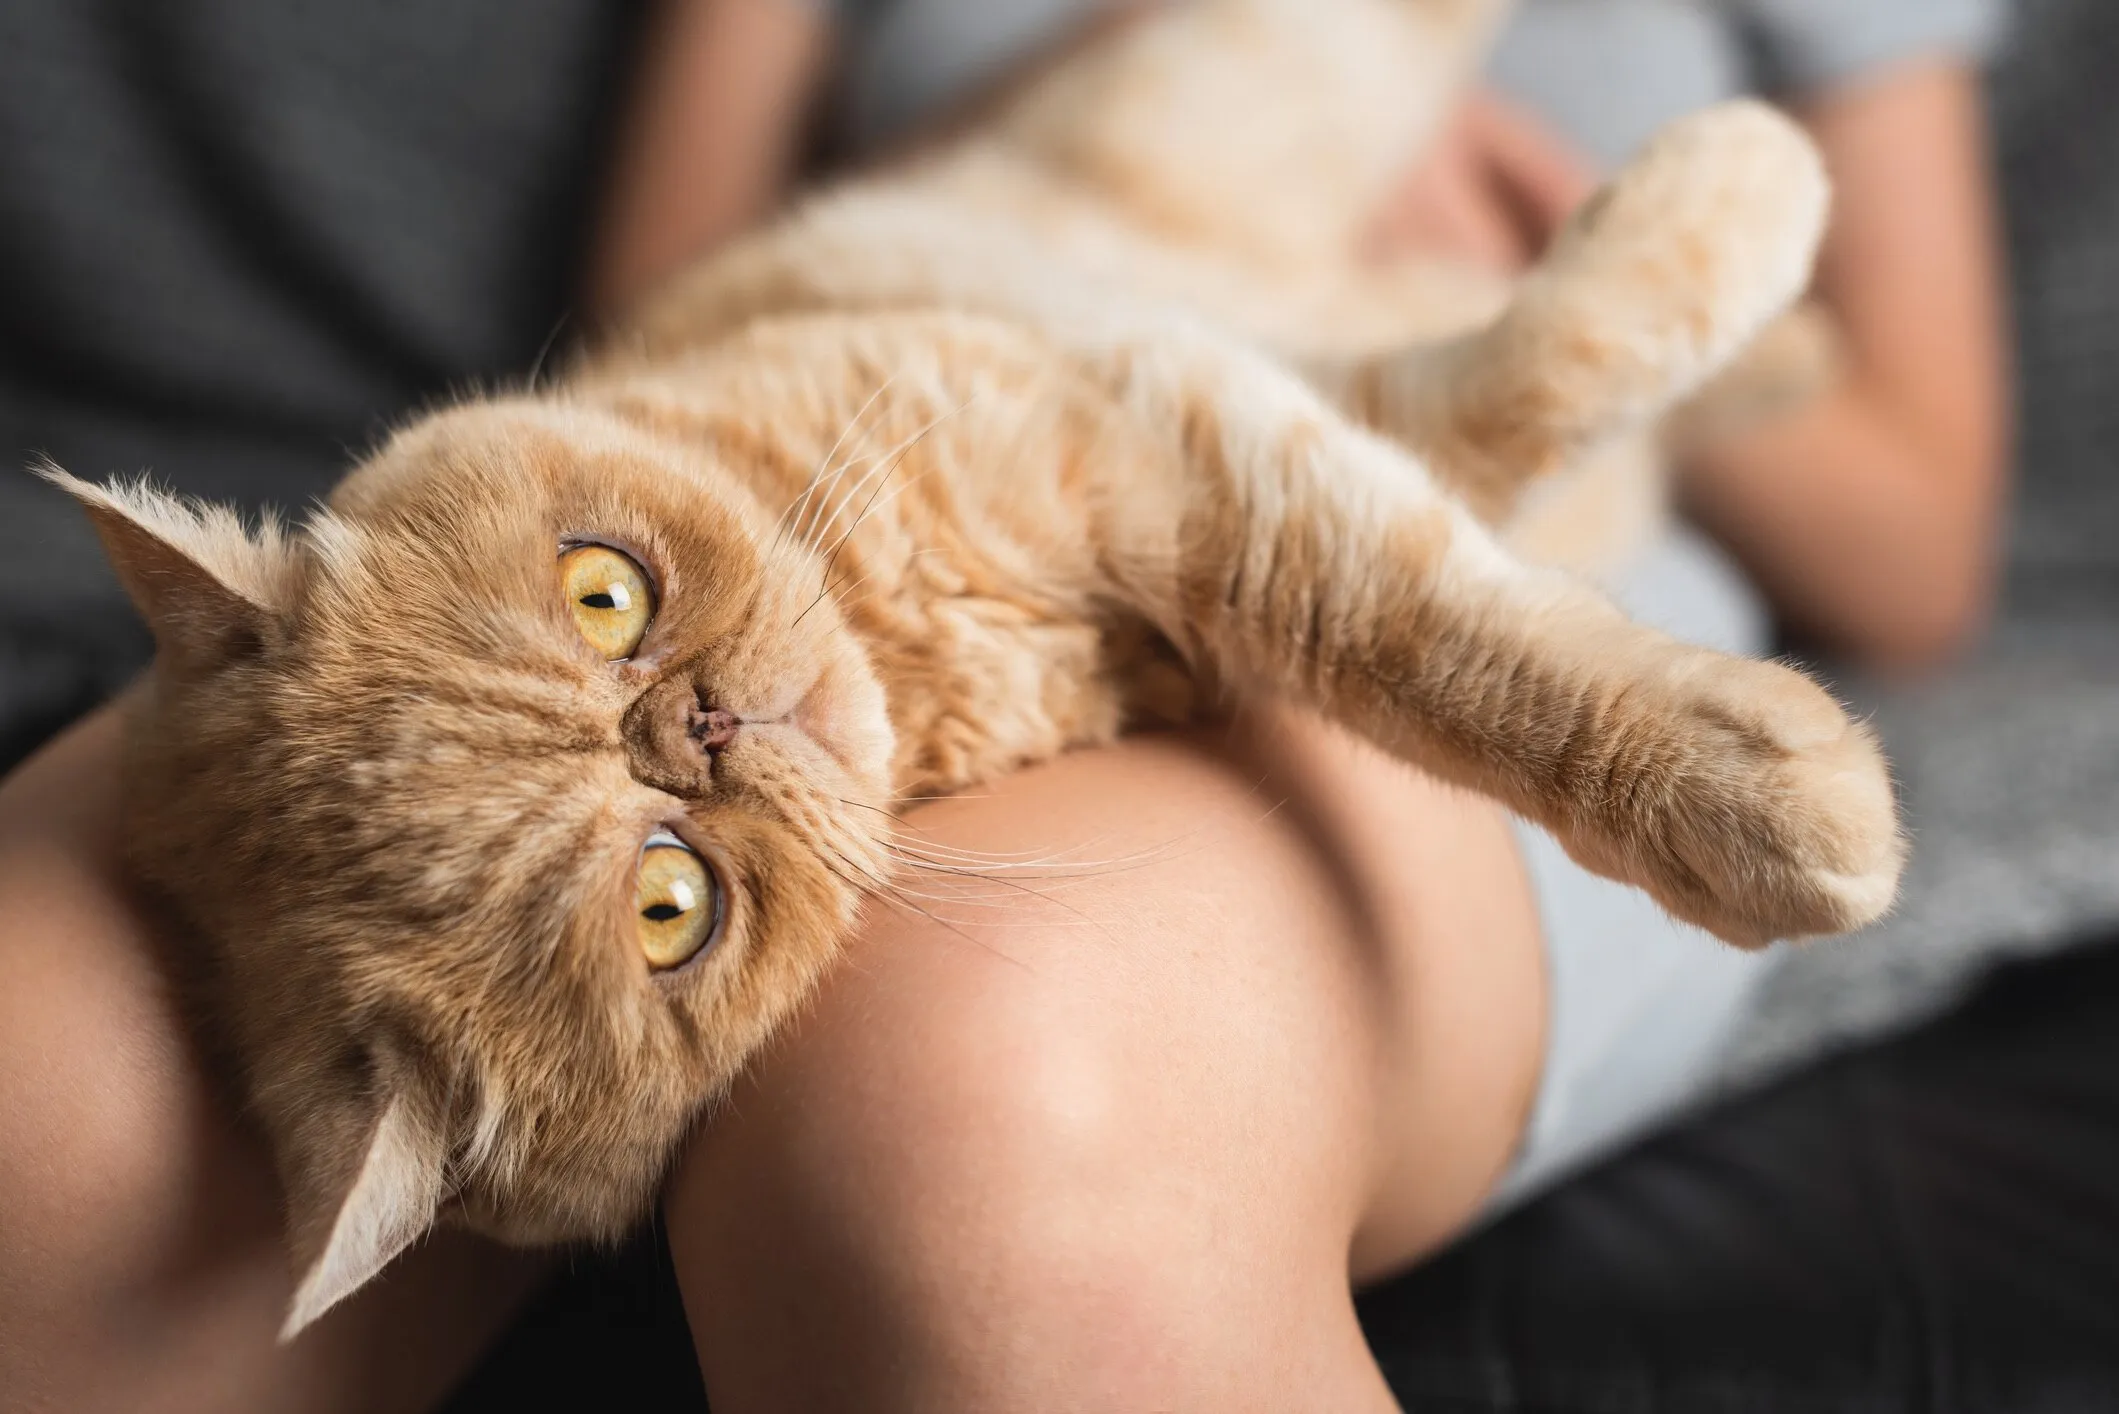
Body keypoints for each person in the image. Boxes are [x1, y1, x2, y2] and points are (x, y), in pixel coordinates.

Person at [0, 1, 2009, 1410]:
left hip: (1501, 510)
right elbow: (660, 298)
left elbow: (1919, 531)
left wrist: (1553, 252)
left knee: (971, 1133)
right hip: (834, 449)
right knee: (46, 1106)